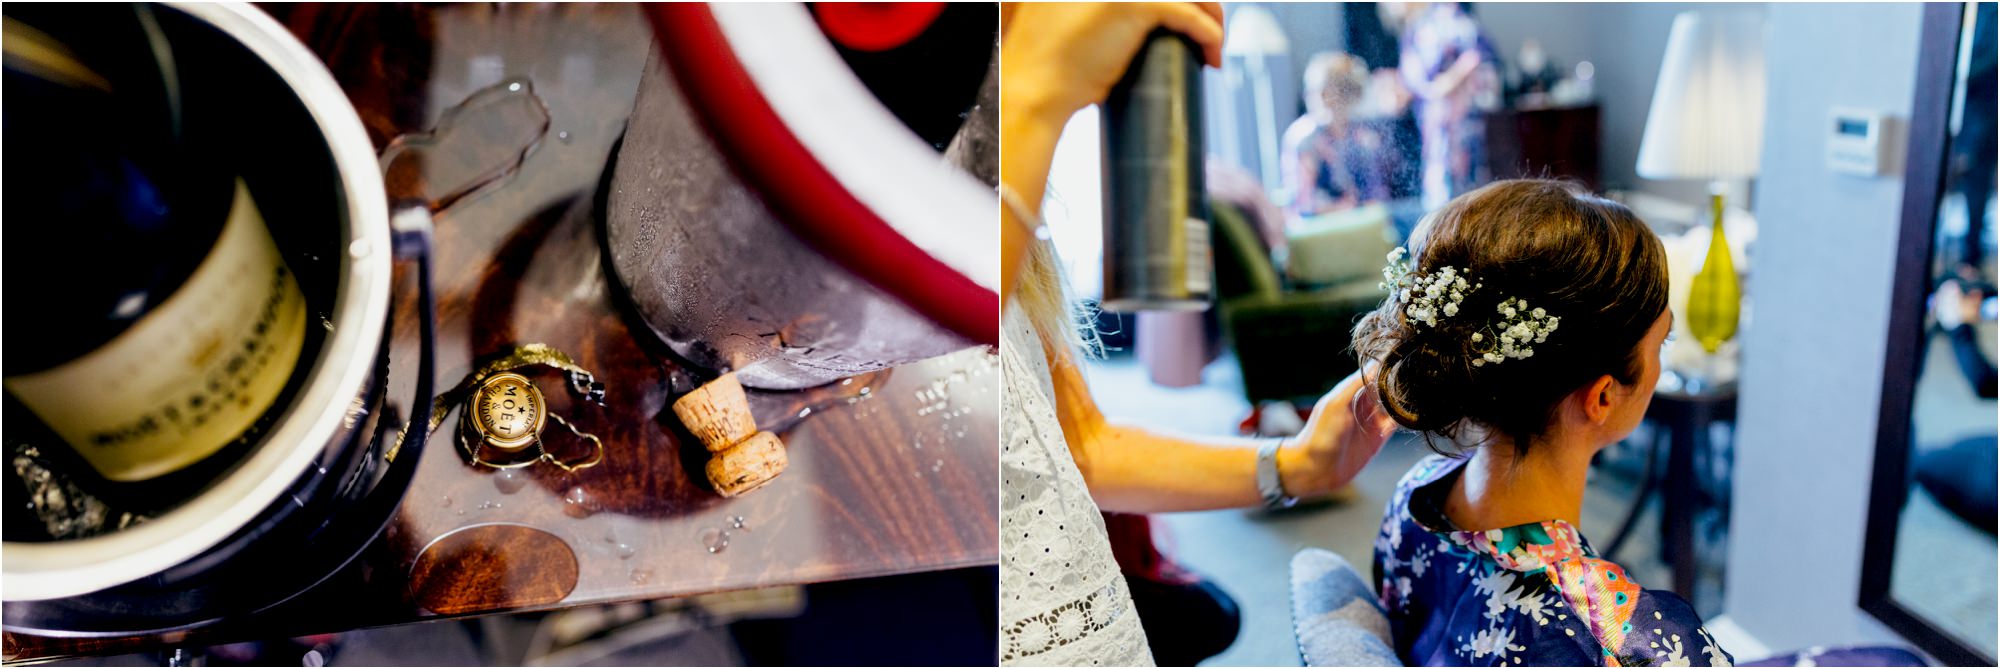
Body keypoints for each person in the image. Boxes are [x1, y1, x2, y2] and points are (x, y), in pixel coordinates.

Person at [997, 3, 1398, 665]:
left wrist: (1297, 463)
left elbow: (1081, 446)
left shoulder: (1015, 204)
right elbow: (919, 326)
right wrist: (1039, 85)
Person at [1353, 180, 1733, 665]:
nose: (1660, 363)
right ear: (1601, 396)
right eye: (1662, 342)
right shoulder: (1631, 642)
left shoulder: (1414, 498)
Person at [1395, 2, 1500, 210]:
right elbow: (1416, 82)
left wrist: (1457, 81)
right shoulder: (1420, 28)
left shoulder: (1468, 26)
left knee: (1476, 190)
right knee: (1440, 188)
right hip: (1437, 122)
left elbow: (1488, 75)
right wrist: (1449, 81)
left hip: (1467, 123)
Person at [1282, 52, 1394, 217]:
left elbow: (1376, 194)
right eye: (1317, 92)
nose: (1321, 98)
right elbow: (1304, 204)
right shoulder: (1304, 139)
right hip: (1317, 229)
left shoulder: (1361, 136)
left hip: (1360, 224)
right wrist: (1347, 207)